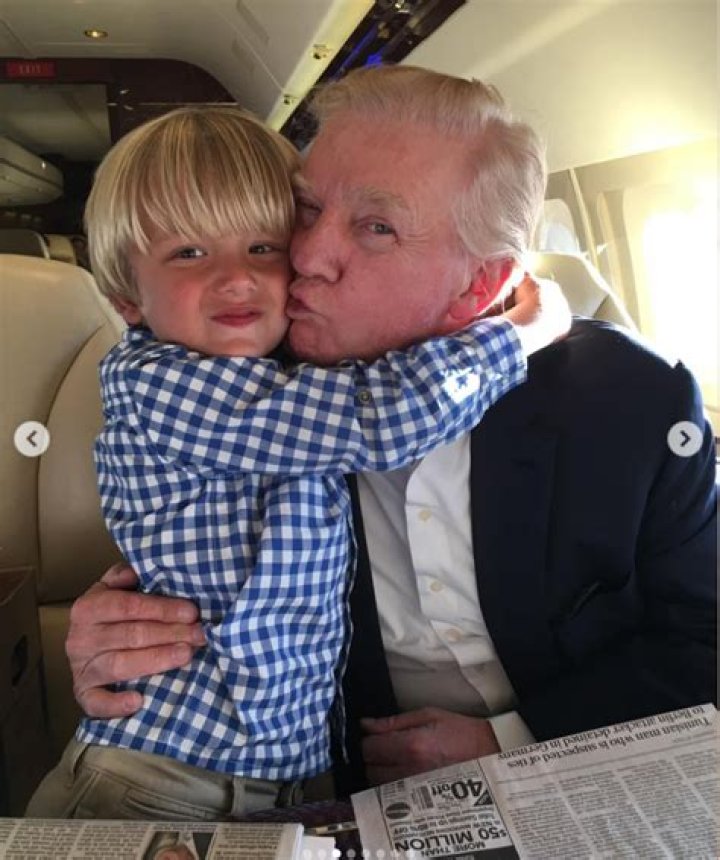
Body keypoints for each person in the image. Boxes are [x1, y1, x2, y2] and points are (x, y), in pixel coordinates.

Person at [63, 66, 717, 798]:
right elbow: (196, 556)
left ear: (478, 285)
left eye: (376, 227)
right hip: (317, 785)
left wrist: (513, 744)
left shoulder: (631, 403)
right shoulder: (245, 366)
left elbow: (706, 638)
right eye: (306, 209)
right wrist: (114, 633)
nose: (304, 257)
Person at [26, 104, 563, 820]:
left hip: (274, 776)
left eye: (263, 247)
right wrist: (520, 334)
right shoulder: (163, 383)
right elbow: (376, 418)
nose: (236, 280)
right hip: (162, 776)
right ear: (126, 297)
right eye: (188, 254)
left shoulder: (286, 376)